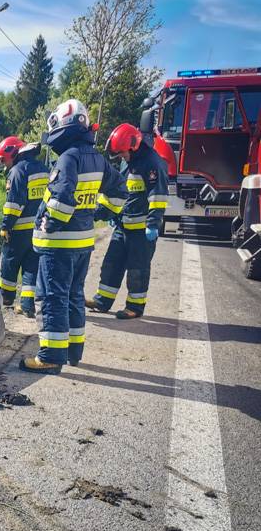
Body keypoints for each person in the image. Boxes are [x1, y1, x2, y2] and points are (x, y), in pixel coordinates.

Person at [19, 99, 128, 374]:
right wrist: (100, 212)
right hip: (82, 243)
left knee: (52, 297)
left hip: (59, 245)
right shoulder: (97, 158)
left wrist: (50, 222)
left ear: (62, 126)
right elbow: (120, 192)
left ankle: (51, 356)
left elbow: (63, 197)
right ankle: (73, 350)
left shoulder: (68, 157)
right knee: (74, 296)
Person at [85, 123, 169, 319]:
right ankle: (102, 301)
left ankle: (135, 307)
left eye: (122, 153)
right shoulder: (128, 162)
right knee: (111, 264)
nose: (121, 157)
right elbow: (122, 191)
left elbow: (158, 196)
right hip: (123, 226)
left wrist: (153, 224)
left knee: (137, 269)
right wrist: (112, 215)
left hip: (142, 231)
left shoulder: (152, 163)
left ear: (133, 146)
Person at [0, 136, 49, 318]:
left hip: (19, 230)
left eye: (5, 160)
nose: (5, 165)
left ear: (13, 154)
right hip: (39, 228)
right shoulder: (44, 169)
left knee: (10, 263)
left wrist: (5, 226)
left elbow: (14, 204)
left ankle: (7, 298)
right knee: (31, 266)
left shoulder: (17, 171)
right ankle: (27, 305)